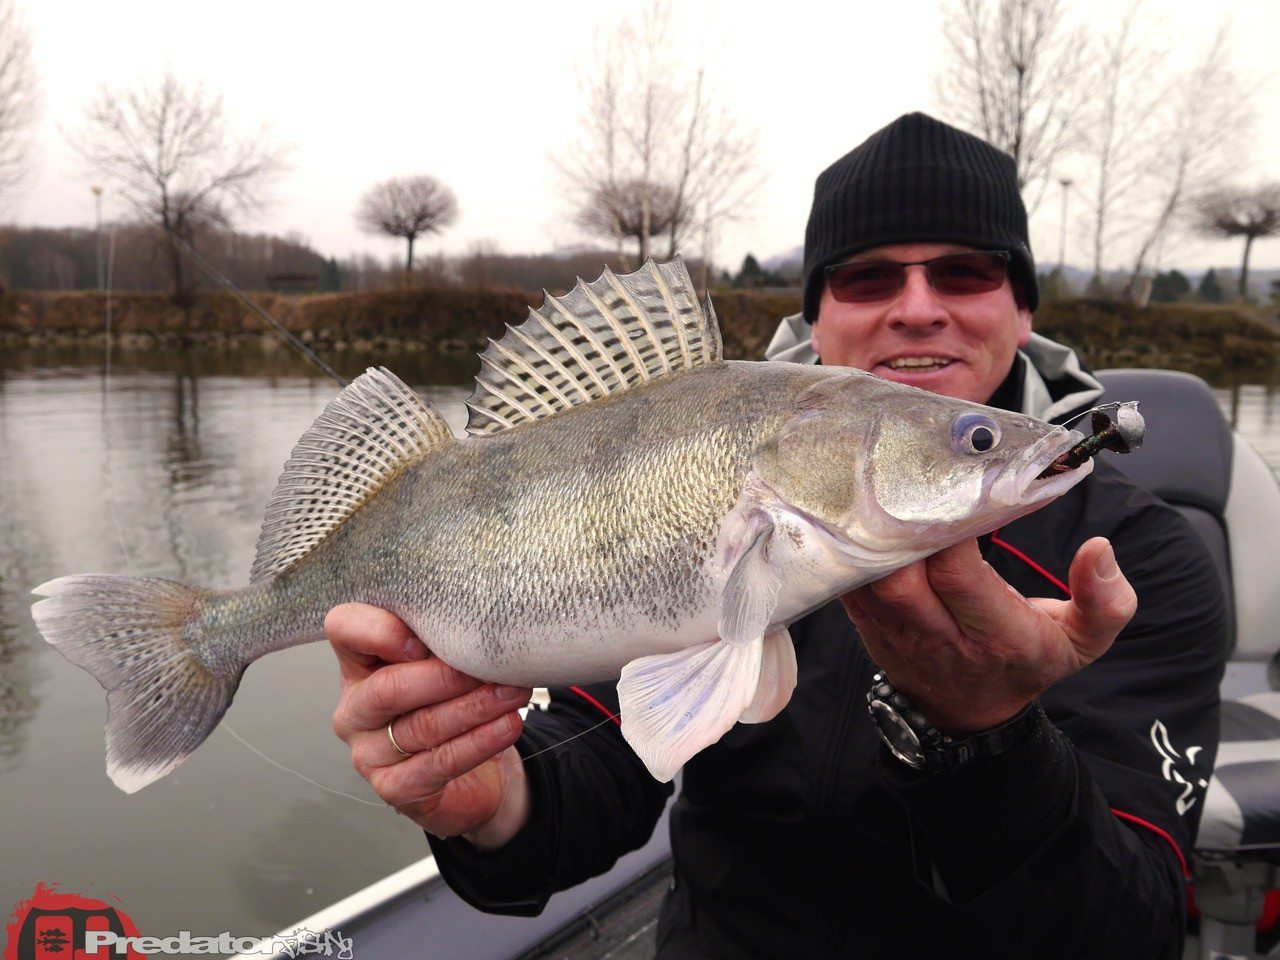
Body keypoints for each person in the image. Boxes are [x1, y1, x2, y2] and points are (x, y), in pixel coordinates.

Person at [324, 113, 1228, 958]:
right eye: (868, 276)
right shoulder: (708, 484)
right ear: (817, 315)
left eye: (966, 271)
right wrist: (488, 804)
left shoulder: (1137, 564)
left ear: (1023, 308)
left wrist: (988, 737)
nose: (917, 307)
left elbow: (1135, 926)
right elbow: (604, 761)